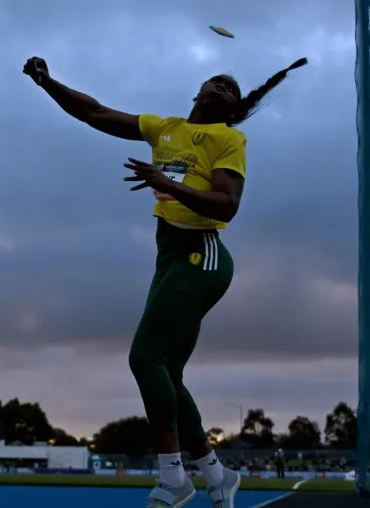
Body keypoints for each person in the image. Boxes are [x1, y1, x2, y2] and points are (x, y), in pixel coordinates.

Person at [23, 56, 297, 508]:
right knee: (168, 372)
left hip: (202, 255)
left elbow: (226, 205)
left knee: (145, 357)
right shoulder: (164, 128)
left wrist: (163, 182)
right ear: (199, 91)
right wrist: (47, 83)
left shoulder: (228, 138)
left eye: (232, 89)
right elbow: (95, 112)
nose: (225, 86)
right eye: (218, 81)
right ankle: (216, 473)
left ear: (232, 108)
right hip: (170, 259)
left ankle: (173, 477)